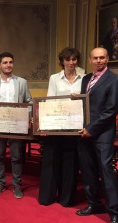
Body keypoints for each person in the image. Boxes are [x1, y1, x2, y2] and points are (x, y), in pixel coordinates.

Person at [38, 47, 85, 207]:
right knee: (51, 160)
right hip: (56, 124)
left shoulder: (84, 78)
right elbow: (50, 101)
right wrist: (45, 125)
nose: (71, 62)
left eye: (74, 59)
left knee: (70, 163)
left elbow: (87, 102)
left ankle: (66, 199)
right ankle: (47, 197)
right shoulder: (54, 78)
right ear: (62, 61)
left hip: (75, 126)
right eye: (68, 59)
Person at [76, 47, 118, 223]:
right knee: (88, 171)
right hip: (83, 133)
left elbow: (111, 109)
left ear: (107, 59)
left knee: (106, 172)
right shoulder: (86, 79)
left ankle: (114, 212)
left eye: (102, 57)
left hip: (103, 134)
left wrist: (91, 129)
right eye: (95, 58)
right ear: (90, 60)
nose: (99, 61)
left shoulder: (114, 79)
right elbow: (86, 104)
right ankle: (94, 204)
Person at [0, 52, 32, 199]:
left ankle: (17, 185)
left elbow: (29, 101)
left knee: (16, 156)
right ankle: (0, 183)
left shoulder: (21, 82)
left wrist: (27, 116)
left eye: (10, 62)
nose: (8, 65)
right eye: (5, 62)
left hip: (17, 124)